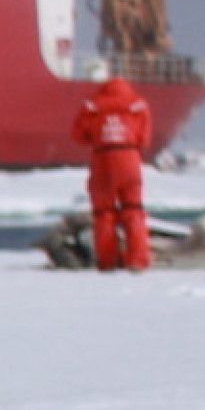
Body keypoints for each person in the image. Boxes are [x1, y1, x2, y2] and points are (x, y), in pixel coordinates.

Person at [78, 77, 154, 271]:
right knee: (134, 209)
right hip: (129, 158)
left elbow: (78, 134)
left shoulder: (92, 105)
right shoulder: (138, 104)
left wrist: (99, 137)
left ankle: (107, 261)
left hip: (103, 159)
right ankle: (138, 259)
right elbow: (144, 138)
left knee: (104, 213)